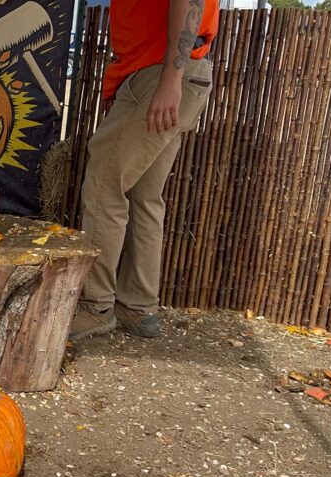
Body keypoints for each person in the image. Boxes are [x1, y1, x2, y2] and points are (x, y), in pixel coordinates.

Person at [70, 0, 219, 340]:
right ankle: (137, 307)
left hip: (162, 72)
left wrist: (170, 78)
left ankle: (96, 306)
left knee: (103, 186)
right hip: (165, 72)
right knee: (144, 195)